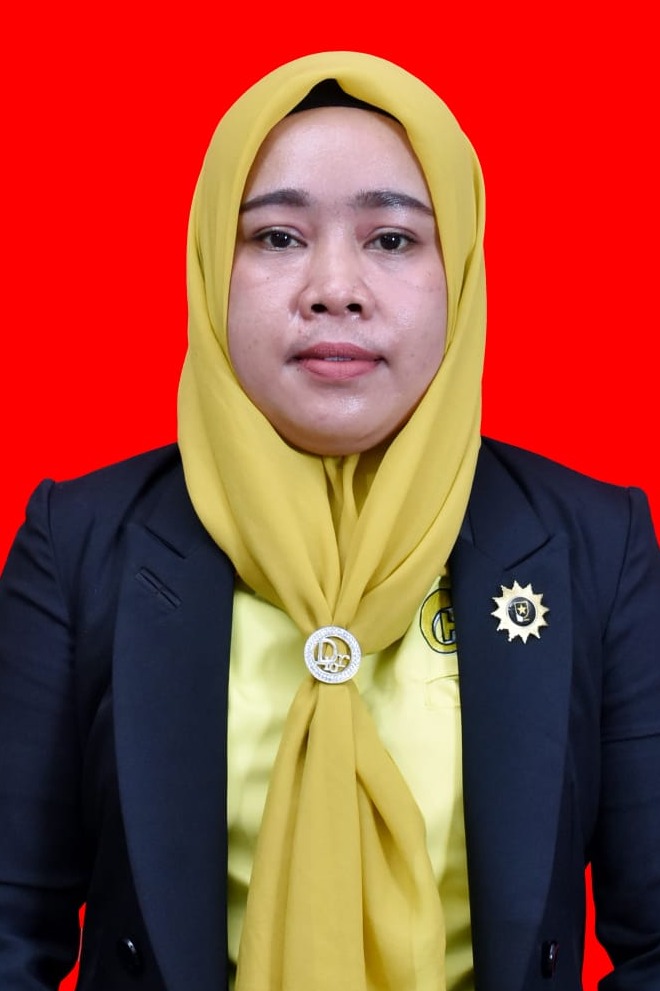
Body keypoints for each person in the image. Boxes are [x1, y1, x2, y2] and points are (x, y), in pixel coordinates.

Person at [1, 50, 659, 991]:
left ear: (461, 269)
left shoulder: (597, 545)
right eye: (277, 236)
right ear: (210, 267)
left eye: (392, 238)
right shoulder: (77, 544)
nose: (334, 287)